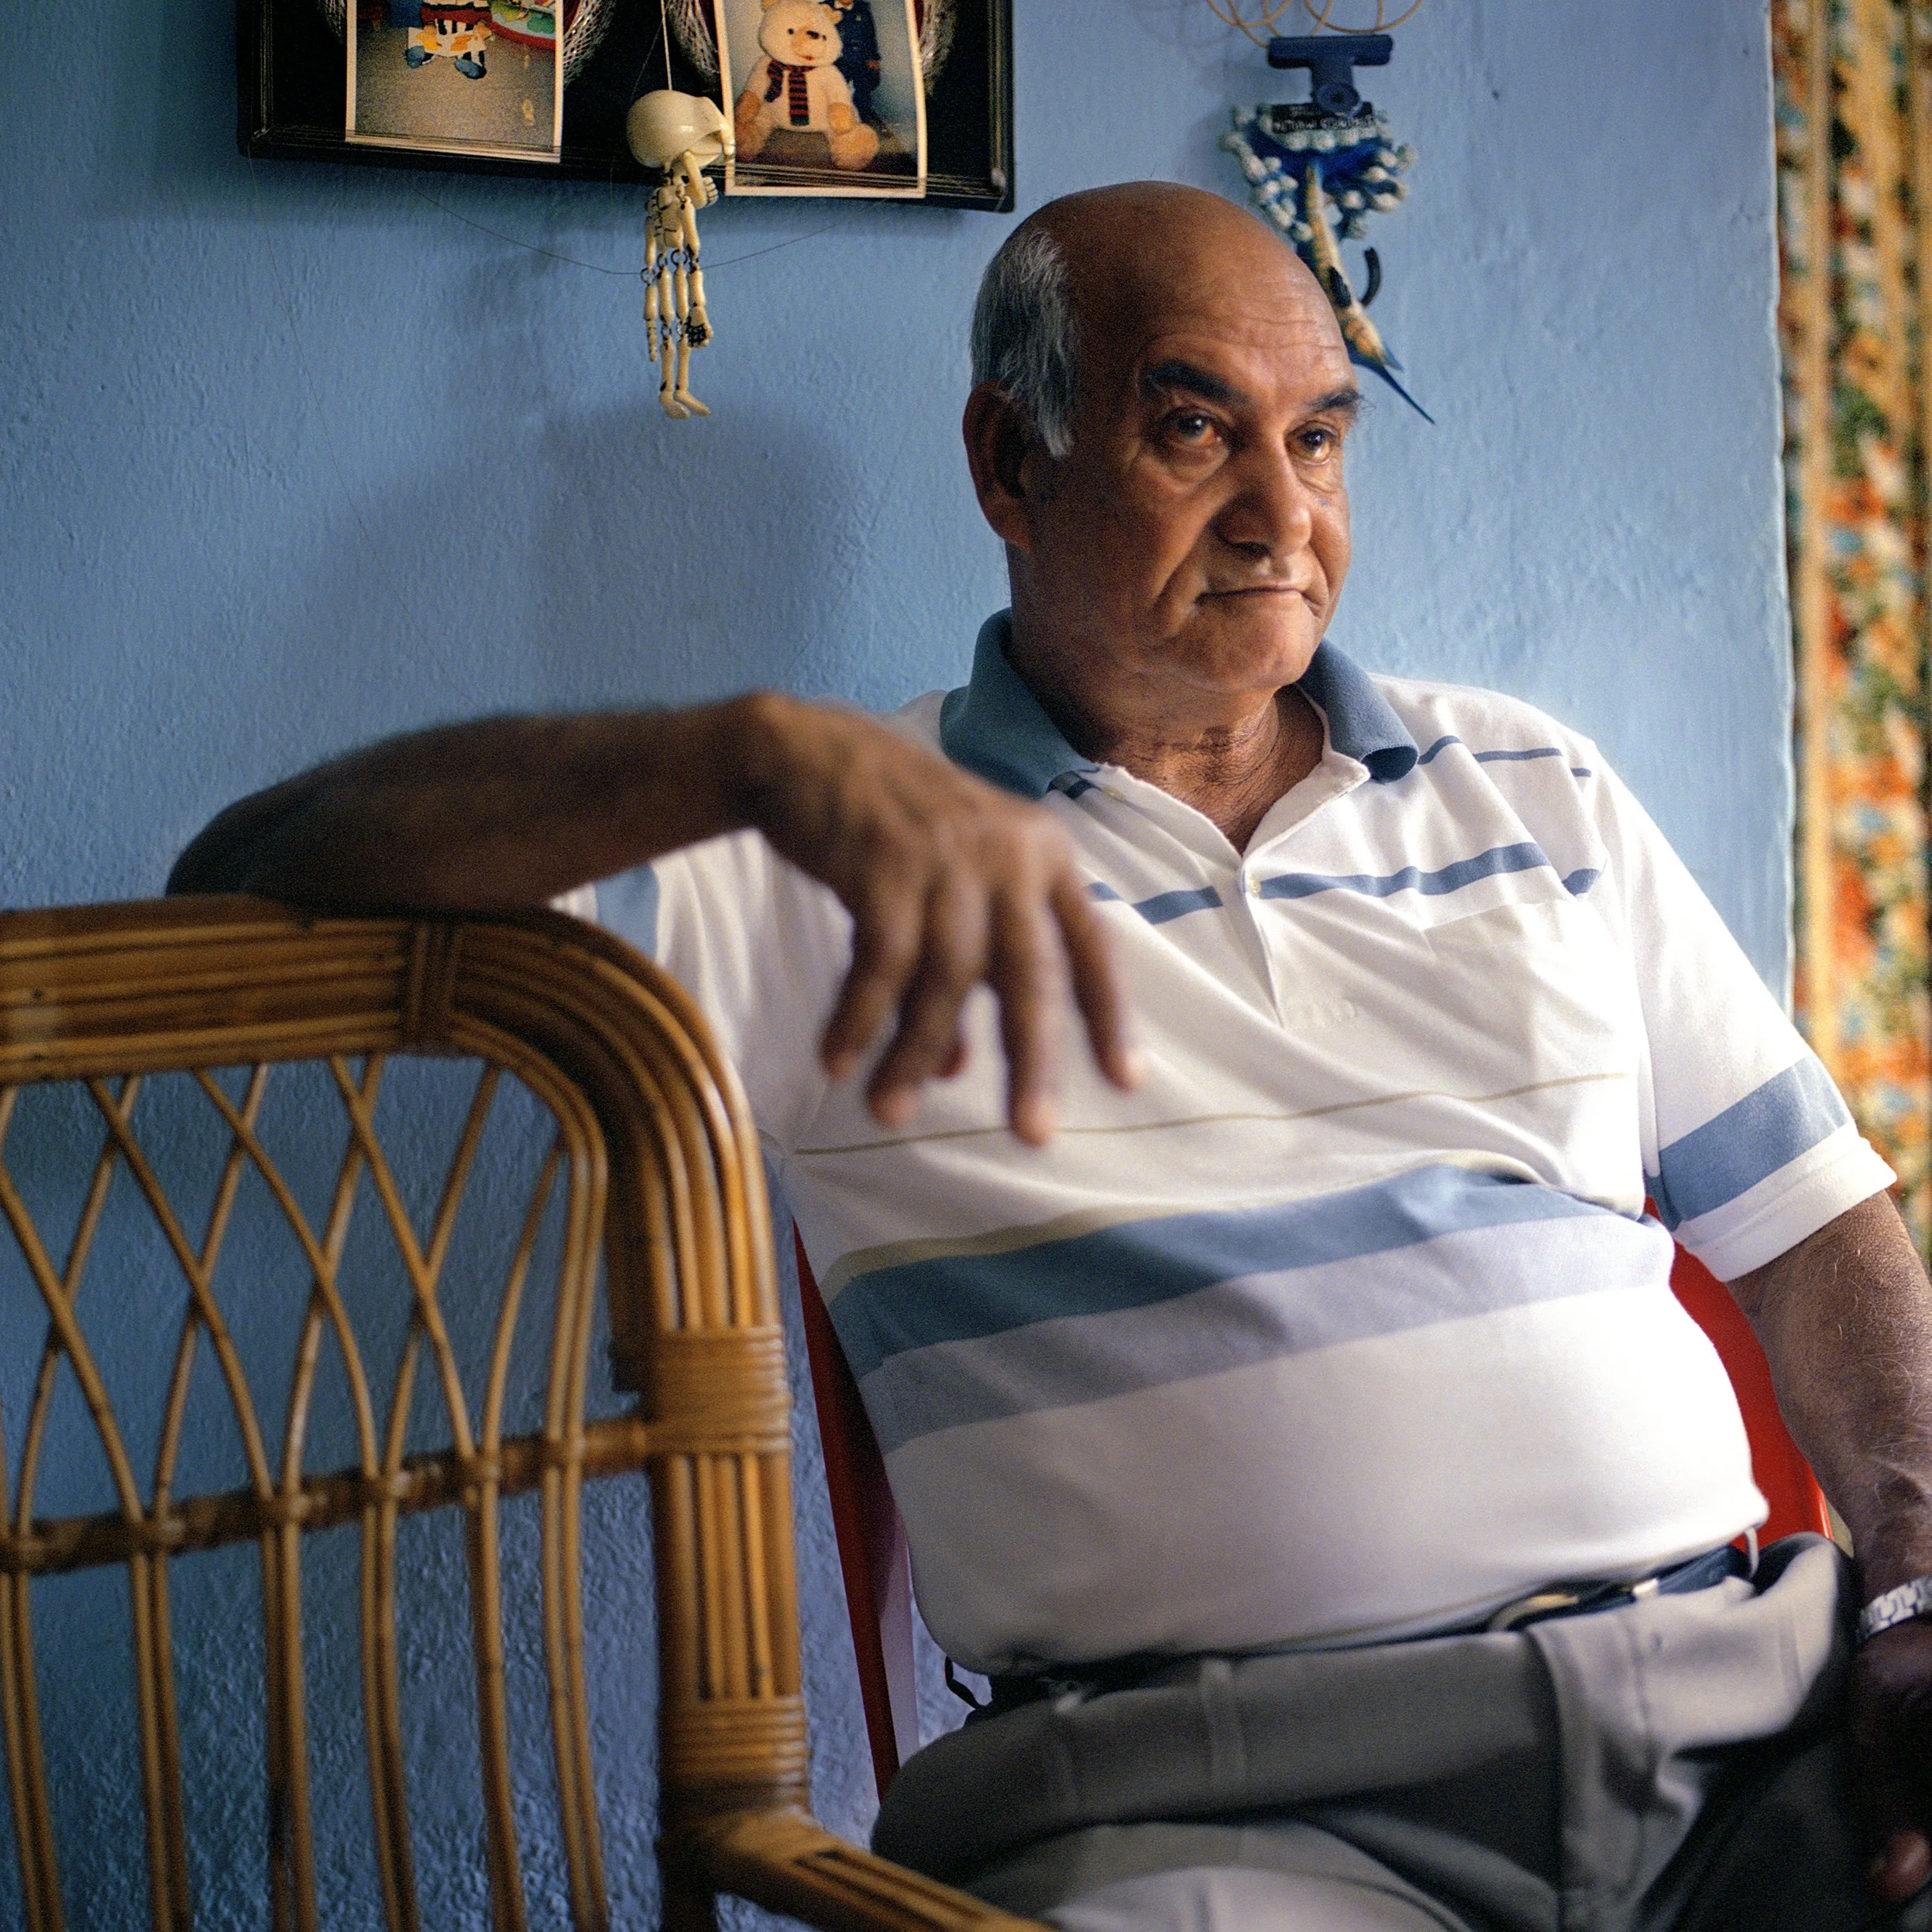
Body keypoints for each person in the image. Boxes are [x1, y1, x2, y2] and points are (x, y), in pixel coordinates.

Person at [172, 182, 1932, 1930]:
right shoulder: (829, 858)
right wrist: (738, 757)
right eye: (1192, 430)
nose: (1279, 516)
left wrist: (1914, 1596)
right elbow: (244, 880)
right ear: (1012, 463)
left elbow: (1807, 1221)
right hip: (1217, 1807)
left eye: (1316, 441)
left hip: (1741, 1730)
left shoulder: (1526, 782)